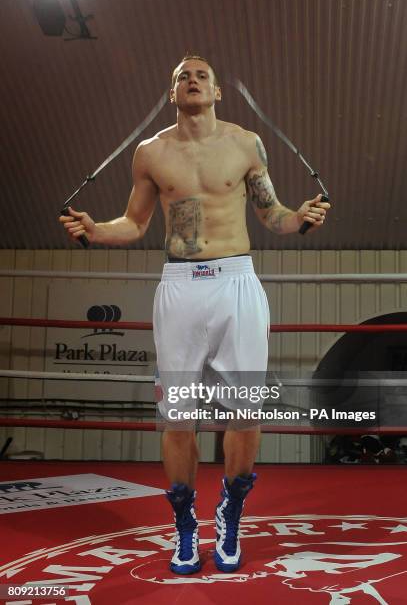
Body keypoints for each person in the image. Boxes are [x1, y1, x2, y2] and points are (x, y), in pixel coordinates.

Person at [59, 55, 330, 575]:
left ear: (216, 91)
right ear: (173, 92)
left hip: (236, 284)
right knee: (178, 416)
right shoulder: (151, 153)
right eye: (183, 75)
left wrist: (298, 218)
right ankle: (185, 524)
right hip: (182, 286)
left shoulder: (245, 143)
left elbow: (270, 213)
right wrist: (94, 229)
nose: (192, 79)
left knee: (244, 413)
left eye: (201, 74)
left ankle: (231, 512)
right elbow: (135, 224)